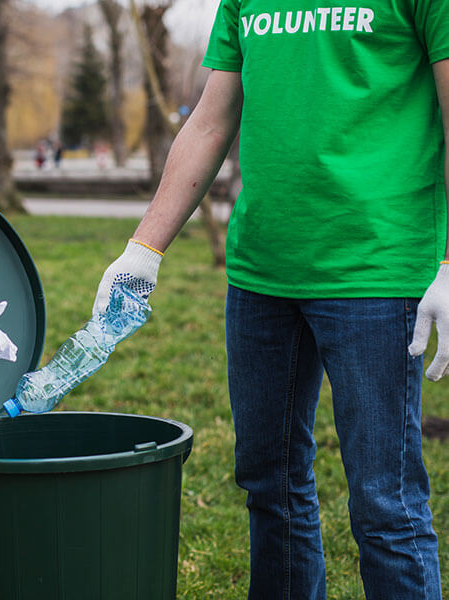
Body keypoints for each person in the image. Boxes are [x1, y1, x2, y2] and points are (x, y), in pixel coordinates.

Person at [94, 2, 448, 598]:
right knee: (269, 487)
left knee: (385, 504)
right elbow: (210, 122)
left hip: (375, 272)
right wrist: (144, 248)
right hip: (261, 275)